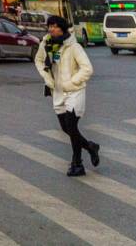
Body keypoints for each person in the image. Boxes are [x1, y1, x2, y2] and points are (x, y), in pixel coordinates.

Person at [35, 15, 99, 177]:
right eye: (49, 26)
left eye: (55, 26)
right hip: (57, 90)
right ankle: (90, 146)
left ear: (62, 29)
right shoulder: (46, 44)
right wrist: (47, 78)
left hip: (74, 91)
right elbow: (39, 61)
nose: (51, 29)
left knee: (71, 126)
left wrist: (72, 82)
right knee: (65, 127)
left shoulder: (74, 47)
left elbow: (87, 68)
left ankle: (77, 164)